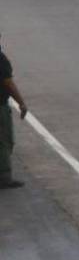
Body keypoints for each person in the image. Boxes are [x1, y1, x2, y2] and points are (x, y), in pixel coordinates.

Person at [0, 32, 29, 190]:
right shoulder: (1, 60)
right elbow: (9, 84)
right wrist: (22, 103)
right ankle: (4, 177)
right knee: (4, 141)